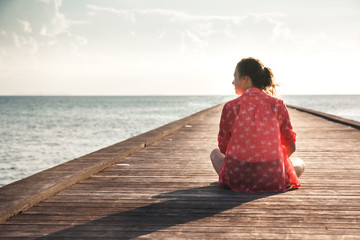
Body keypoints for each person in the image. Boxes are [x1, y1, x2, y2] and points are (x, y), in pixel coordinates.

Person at [210, 57, 305, 193]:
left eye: (235, 77)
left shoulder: (230, 107)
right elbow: (291, 146)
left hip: (237, 177)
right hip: (272, 179)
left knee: (215, 153)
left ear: (245, 79)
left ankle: (232, 179)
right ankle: (274, 173)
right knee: (299, 163)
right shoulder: (277, 105)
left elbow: (223, 148)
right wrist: (270, 159)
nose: (232, 82)